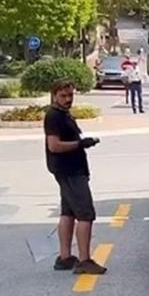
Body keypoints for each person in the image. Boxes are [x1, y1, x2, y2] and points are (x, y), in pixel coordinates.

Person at [45, 80, 107, 275]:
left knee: (68, 212)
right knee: (85, 214)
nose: (68, 99)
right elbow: (54, 146)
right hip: (70, 171)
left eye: (70, 95)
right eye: (63, 96)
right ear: (54, 95)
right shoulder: (54, 116)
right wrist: (80, 144)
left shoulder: (62, 114)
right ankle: (84, 260)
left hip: (68, 170)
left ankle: (65, 257)